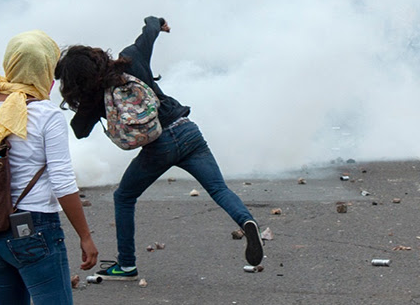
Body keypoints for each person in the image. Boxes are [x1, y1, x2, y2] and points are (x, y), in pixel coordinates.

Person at [54, 16, 264, 280]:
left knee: (124, 197)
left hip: (158, 146)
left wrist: (88, 103)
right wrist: (158, 23)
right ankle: (246, 221)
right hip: (187, 130)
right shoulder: (130, 58)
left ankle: (127, 265)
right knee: (218, 188)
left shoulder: (94, 96)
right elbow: (150, 28)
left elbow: (79, 132)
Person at [0, 30, 98, 304]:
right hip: (34, 229)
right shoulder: (48, 115)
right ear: (46, 68)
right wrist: (85, 236)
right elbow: (62, 182)